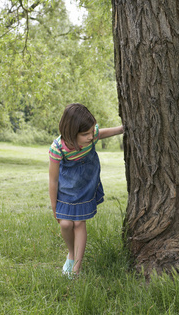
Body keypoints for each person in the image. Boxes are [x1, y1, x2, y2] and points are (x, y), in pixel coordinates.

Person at [48, 103, 124, 276]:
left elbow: (101, 133)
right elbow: (53, 180)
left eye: (91, 132)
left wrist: (121, 129)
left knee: (79, 223)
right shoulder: (58, 149)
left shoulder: (91, 135)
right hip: (66, 192)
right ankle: (72, 254)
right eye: (85, 134)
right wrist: (54, 207)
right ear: (70, 132)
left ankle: (76, 268)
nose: (91, 137)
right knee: (66, 224)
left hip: (86, 186)